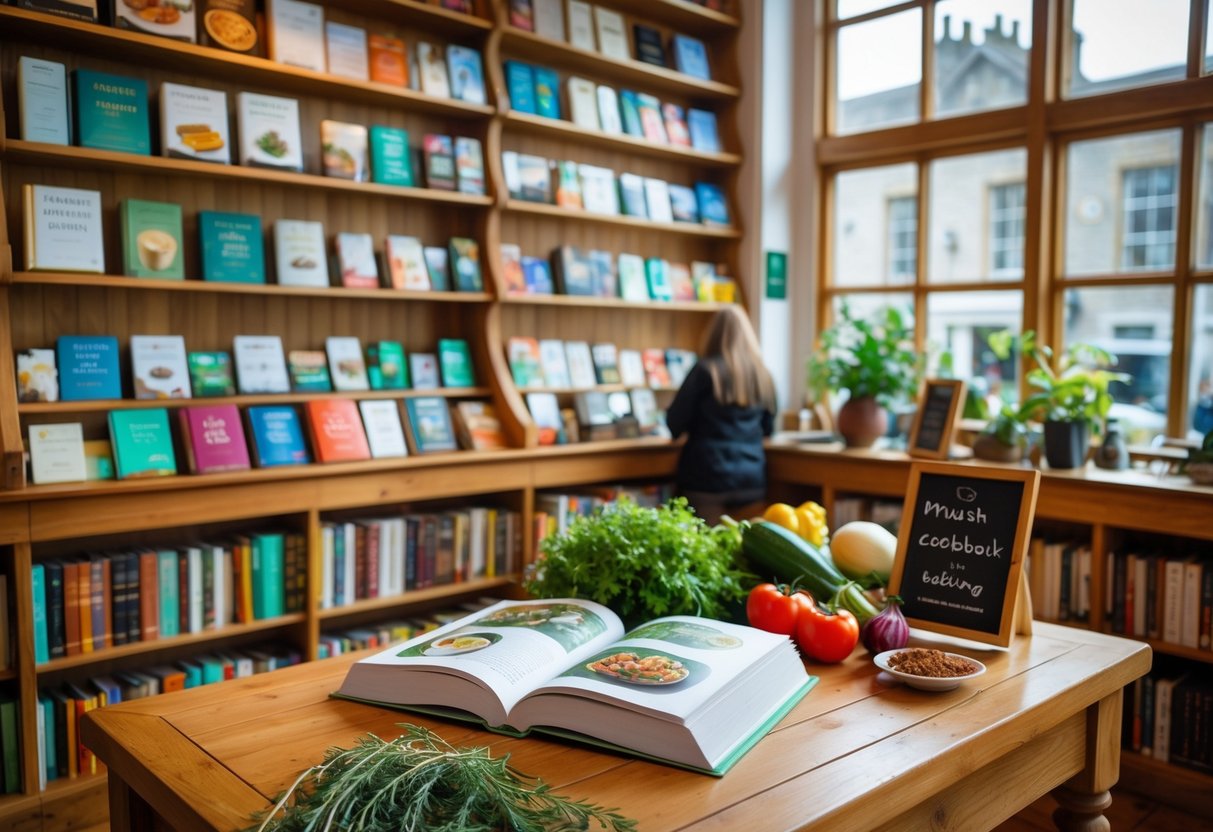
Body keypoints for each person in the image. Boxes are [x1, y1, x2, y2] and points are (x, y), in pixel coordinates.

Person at [665, 306, 776, 525]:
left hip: (707, 477)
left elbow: (675, 423)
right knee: (744, 549)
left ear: (712, 334)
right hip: (751, 479)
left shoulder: (705, 371)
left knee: (707, 547)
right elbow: (769, 428)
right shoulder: (762, 375)